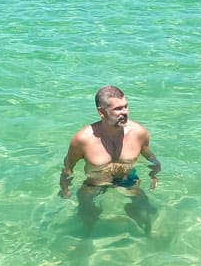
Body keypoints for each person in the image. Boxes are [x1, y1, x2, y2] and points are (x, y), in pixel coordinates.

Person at [60, 86, 161, 236]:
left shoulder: (139, 133)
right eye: (118, 109)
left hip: (128, 179)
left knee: (146, 215)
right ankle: (86, 244)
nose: (125, 112)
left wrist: (154, 172)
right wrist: (65, 189)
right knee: (86, 218)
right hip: (95, 183)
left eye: (126, 106)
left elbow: (148, 153)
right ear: (101, 112)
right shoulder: (83, 139)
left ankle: (148, 241)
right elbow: (68, 167)